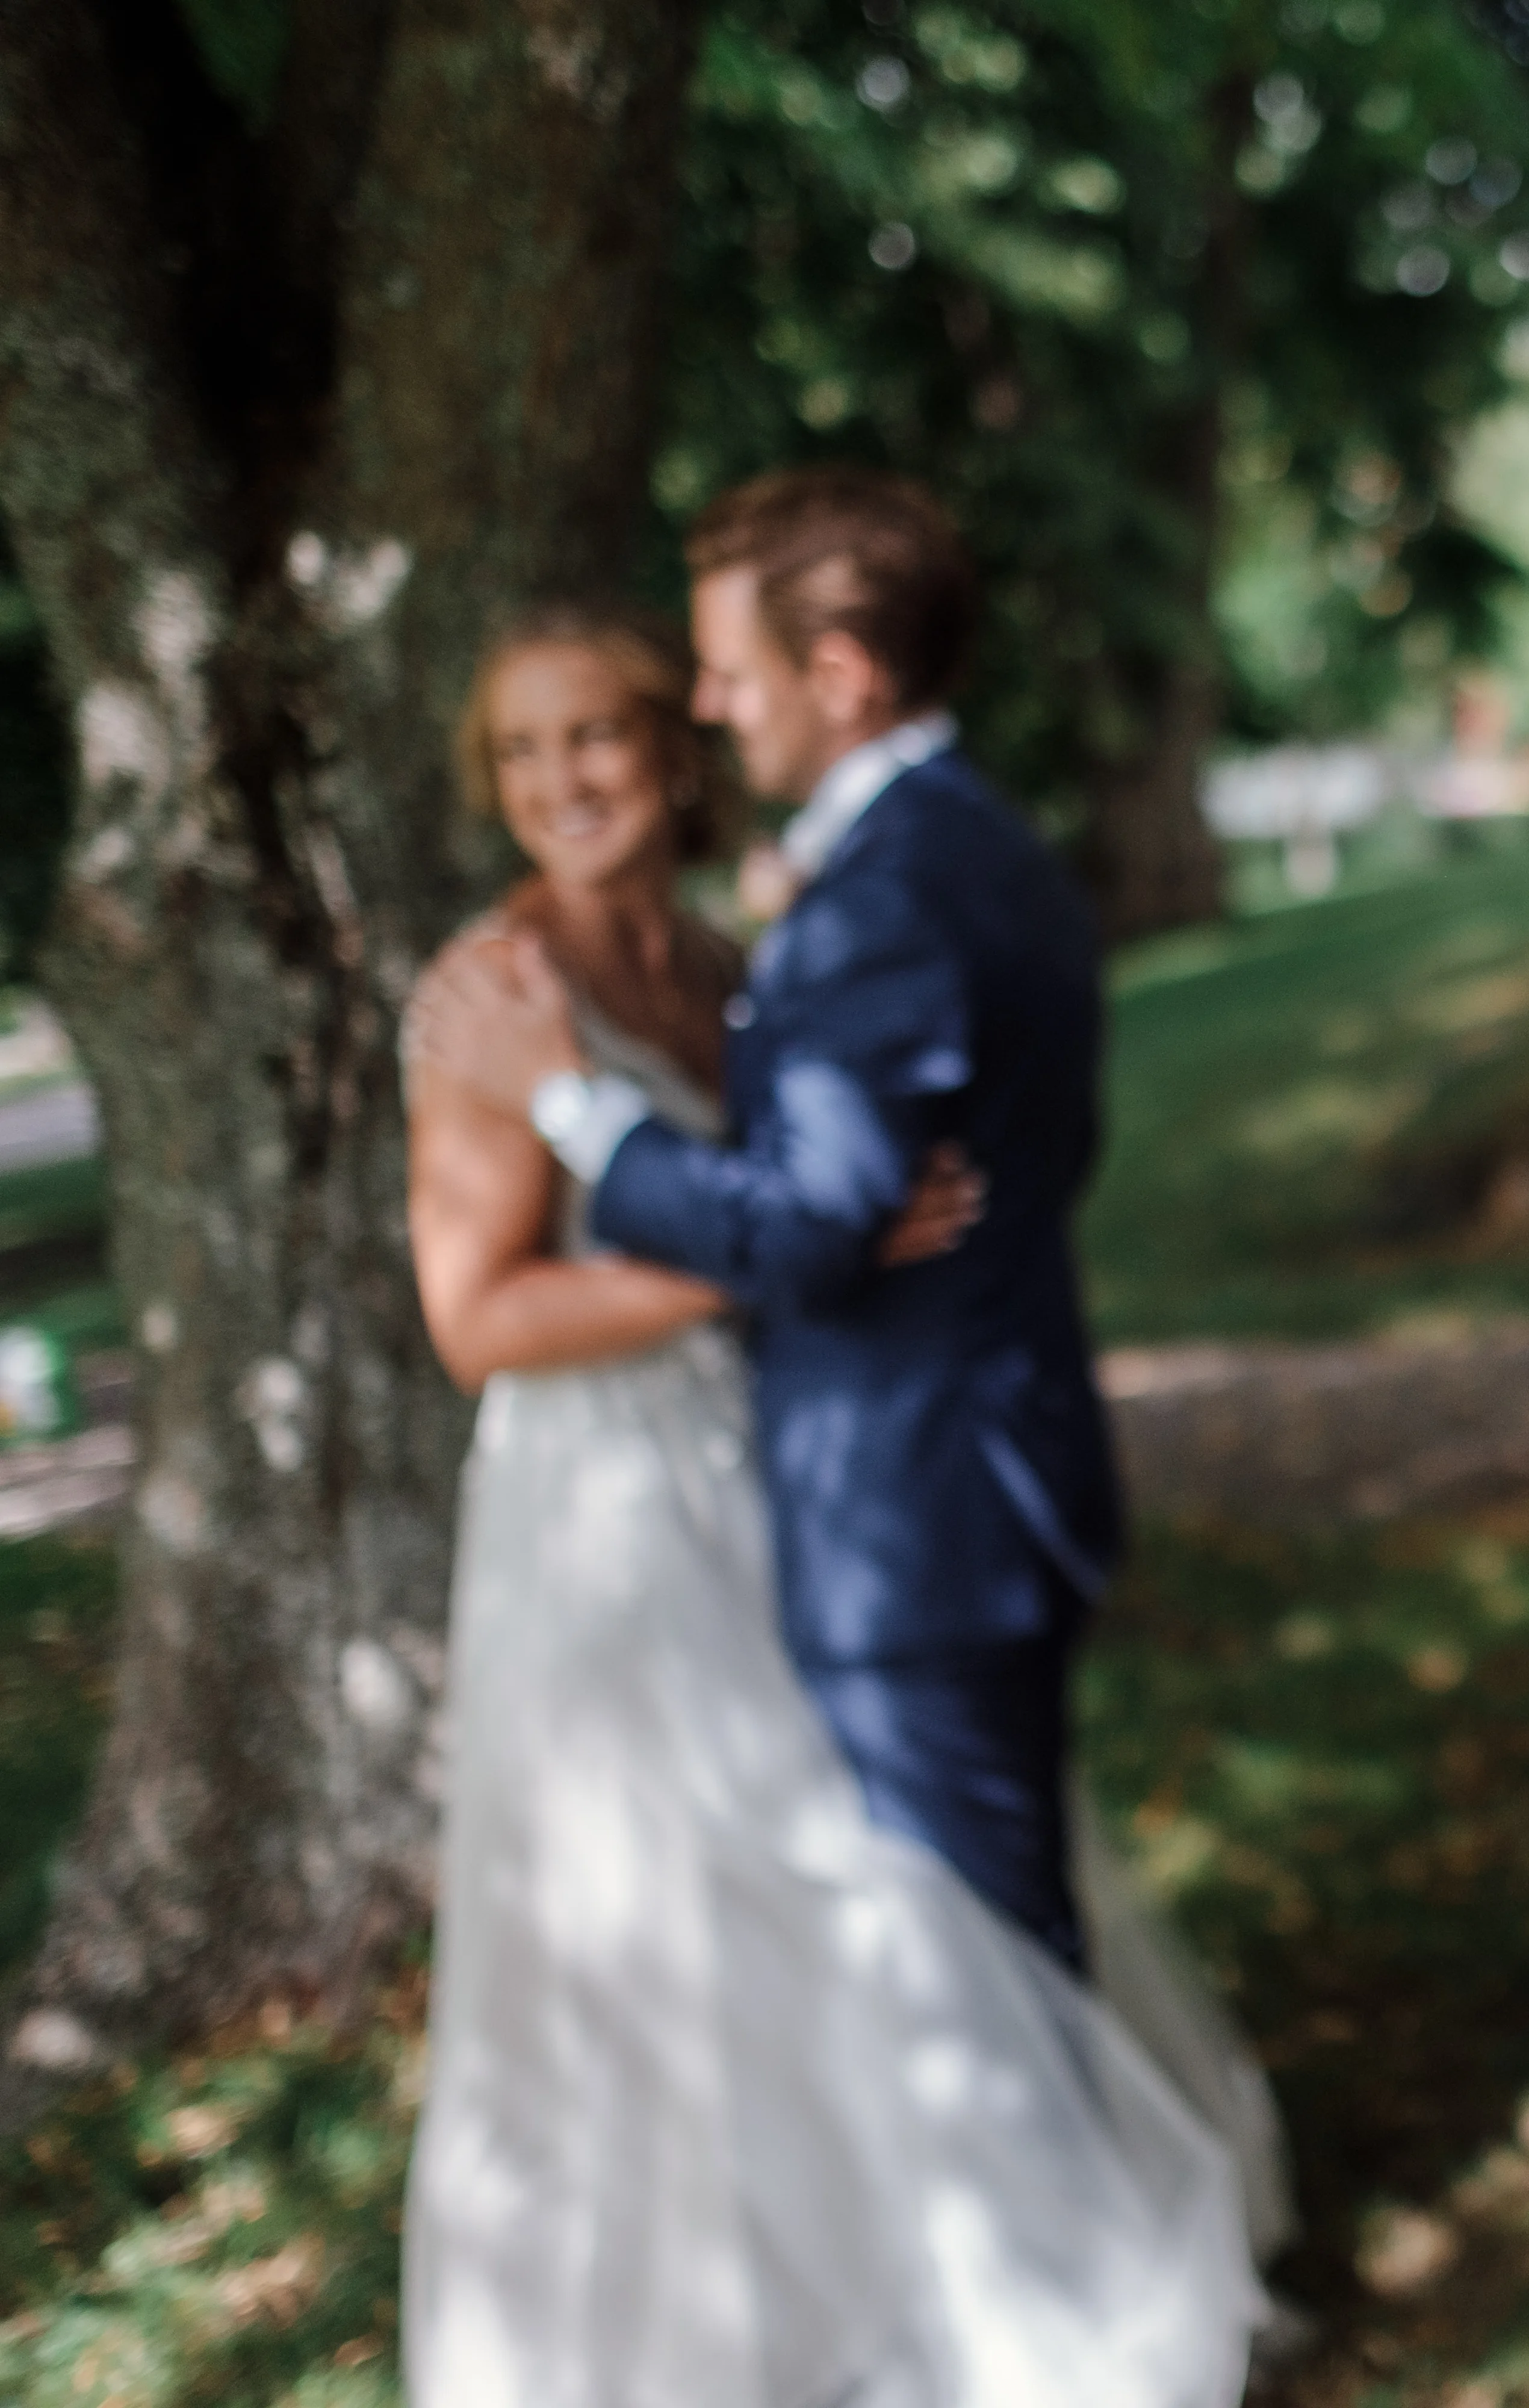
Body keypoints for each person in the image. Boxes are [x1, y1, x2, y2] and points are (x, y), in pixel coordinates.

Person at [400, 577, 1272, 2404]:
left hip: (783, 1464)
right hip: (608, 1515)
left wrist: (806, 1256)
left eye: (602, 732)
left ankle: (938, 2284)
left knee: (863, 1891)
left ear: (673, 748)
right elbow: (477, 1317)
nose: (567, 778)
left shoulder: (724, 961)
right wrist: (784, 1261)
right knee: (690, 1905)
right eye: (524, 750)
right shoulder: (495, 994)